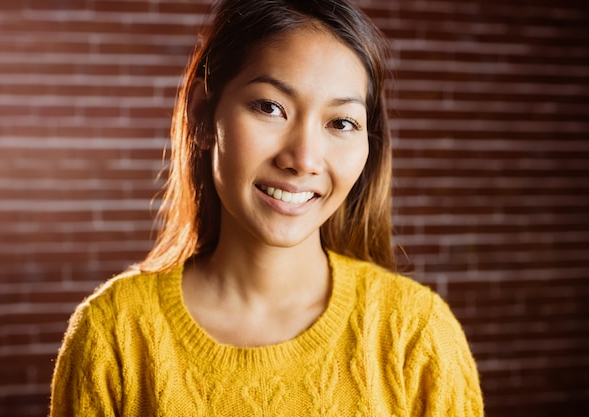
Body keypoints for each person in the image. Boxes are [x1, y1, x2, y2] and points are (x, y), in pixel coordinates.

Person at [49, 0, 484, 415]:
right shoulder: (113, 334)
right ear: (203, 116)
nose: (303, 159)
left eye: (341, 123)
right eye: (270, 107)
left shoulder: (417, 334)